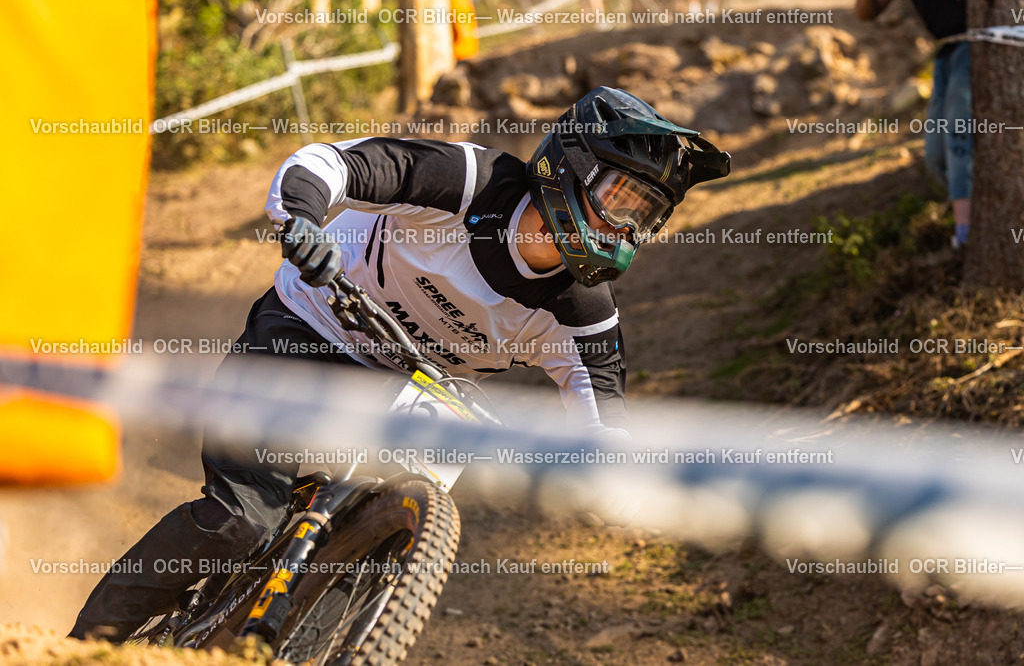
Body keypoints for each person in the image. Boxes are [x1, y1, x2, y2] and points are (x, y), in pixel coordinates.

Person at [69, 86, 730, 641]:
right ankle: (78, 645)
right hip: (312, 324)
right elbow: (329, 165)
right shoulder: (468, 183)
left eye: (646, 215)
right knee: (242, 519)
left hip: (410, 389)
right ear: (572, 167)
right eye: (621, 199)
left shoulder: (584, 314)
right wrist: (301, 219)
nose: (625, 228)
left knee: (381, 535)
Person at [855, 0, 971, 247]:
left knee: (959, 136)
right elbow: (864, 13)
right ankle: (958, 218)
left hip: (977, 44)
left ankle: (968, 231)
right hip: (946, 53)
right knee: (935, 155)